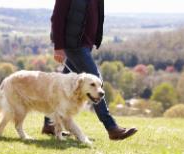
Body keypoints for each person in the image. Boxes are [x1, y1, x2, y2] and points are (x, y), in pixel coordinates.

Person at [42, 0, 138, 140]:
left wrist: (93, 40)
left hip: (85, 45)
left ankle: (49, 124)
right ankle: (111, 127)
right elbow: (57, 17)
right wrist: (58, 46)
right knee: (95, 81)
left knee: (61, 86)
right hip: (74, 45)